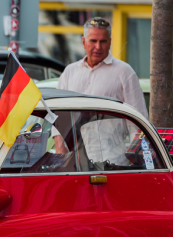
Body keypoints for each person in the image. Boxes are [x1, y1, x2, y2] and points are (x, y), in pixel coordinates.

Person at [57, 17, 148, 165]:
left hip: (113, 164)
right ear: (83, 42)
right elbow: (59, 122)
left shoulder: (124, 72)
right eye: (93, 41)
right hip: (76, 166)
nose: (98, 47)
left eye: (103, 41)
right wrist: (62, 160)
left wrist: (137, 164)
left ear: (110, 42)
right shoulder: (69, 72)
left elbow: (138, 123)